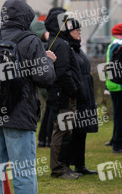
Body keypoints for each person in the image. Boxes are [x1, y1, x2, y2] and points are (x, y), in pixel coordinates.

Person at [0, 0, 56, 193]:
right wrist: (49, 60)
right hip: (19, 116)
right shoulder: (31, 41)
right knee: (23, 171)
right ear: (26, 17)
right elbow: (45, 78)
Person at [44, 9, 82, 179]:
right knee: (62, 131)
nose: (69, 26)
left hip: (60, 95)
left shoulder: (57, 42)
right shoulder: (60, 44)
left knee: (65, 131)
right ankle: (58, 169)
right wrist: (73, 90)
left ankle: (63, 166)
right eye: (65, 23)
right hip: (64, 96)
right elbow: (63, 72)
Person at [64, 18, 98, 174]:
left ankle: (80, 164)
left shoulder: (78, 49)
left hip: (86, 96)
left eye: (80, 31)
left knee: (82, 132)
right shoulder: (68, 49)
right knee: (73, 132)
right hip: (77, 96)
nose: (79, 33)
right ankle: (68, 164)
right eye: (76, 31)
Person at [30, 20, 52, 147]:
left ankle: (43, 138)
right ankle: (45, 138)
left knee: (48, 110)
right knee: (49, 110)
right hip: (45, 84)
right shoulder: (41, 45)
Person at [105, 23, 122, 153]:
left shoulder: (112, 45)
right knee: (119, 115)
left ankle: (114, 140)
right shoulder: (118, 46)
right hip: (118, 84)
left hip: (112, 83)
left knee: (118, 115)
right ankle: (117, 144)